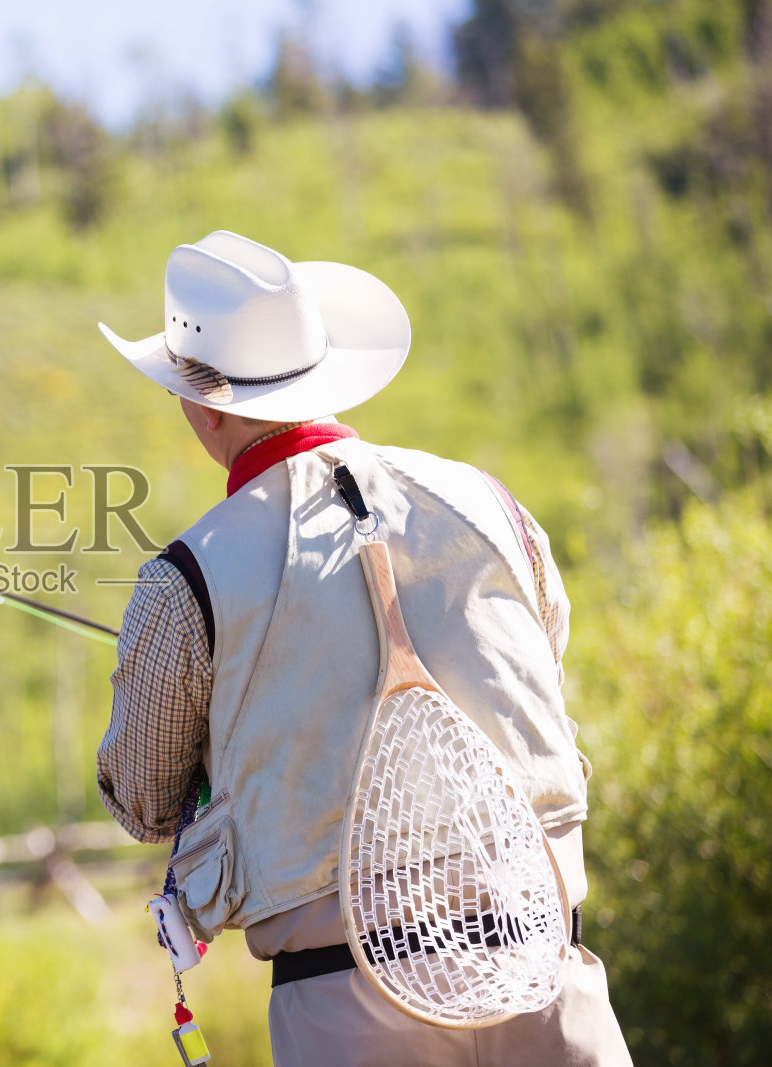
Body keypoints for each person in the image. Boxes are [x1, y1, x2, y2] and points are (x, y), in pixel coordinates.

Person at [93, 231, 632, 1065]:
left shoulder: (185, 580)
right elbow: (546, 659)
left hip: (348, 1007)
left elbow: (142, 802)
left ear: (202, 405)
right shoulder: (493, 504)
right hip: (550, 973)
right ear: (320, 373)